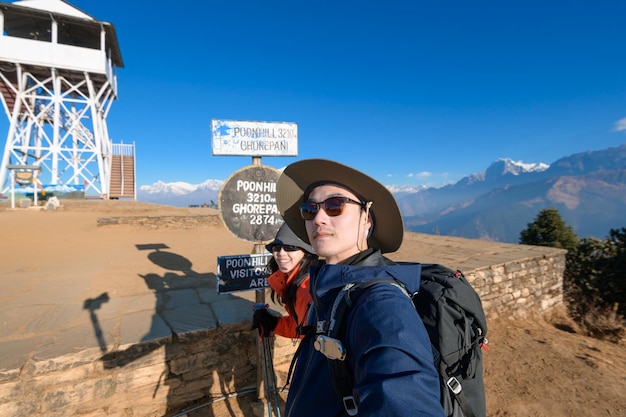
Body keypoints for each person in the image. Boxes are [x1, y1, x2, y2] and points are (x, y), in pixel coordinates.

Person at [276, 159, 446, 417]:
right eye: (309, 209)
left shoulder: (381, 304)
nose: (318, 218)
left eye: (335, 206)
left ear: (366, 219)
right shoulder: (329, 291)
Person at [252, 223, 317, 339]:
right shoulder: (293, 281)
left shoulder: (306, 288)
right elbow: (300, 326)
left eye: (290, 247)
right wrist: (273, 323)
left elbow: (311, 336)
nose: (281, 253)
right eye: (277, 247)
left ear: (306, 252)